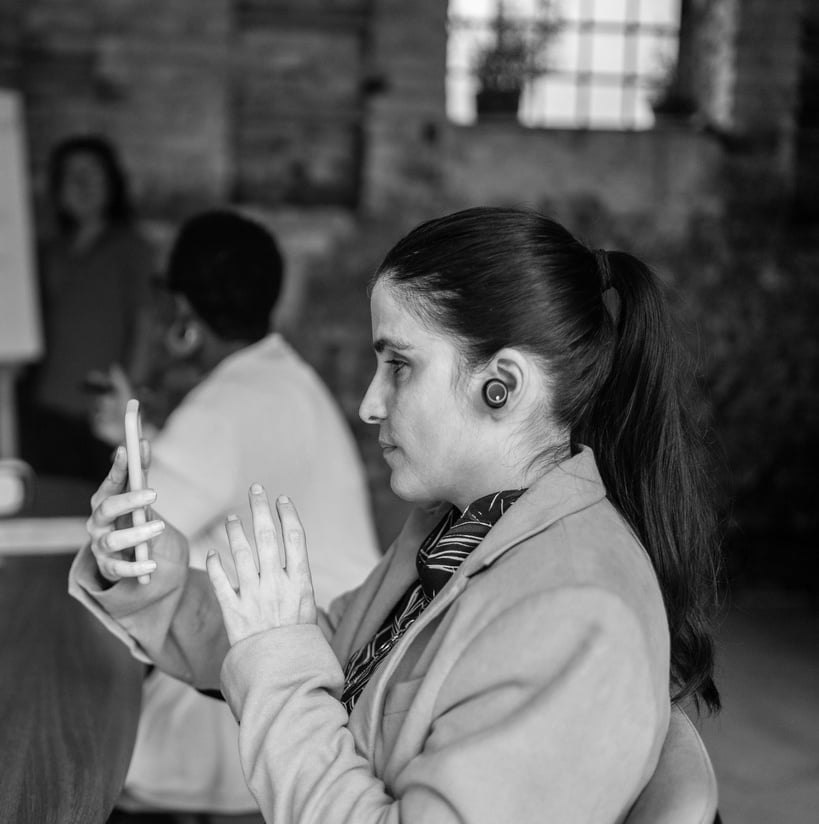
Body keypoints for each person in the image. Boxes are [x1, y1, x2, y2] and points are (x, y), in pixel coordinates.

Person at [71, 206, 721, 823]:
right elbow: (325, 645)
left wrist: (278, 663)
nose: (368, 404)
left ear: (503, 386)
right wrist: (153, 579)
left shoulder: (576, 613)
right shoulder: (462, 527)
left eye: (399, 366)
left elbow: (293, 660)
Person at [88, 210, 380, 815]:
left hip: (274, 689)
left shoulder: (225, 403)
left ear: (184, 318)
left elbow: (131, 535)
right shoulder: (282, 377)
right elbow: (210, 471)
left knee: (95, 753)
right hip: (338, 670)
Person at [18, 134, 155, 483]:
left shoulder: (131, 248)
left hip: (101, 412)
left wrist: (129, 396)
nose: (81, 185)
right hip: (46, 405)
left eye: (91, 174)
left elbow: (145, 323)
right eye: (71, 175)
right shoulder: (49, 251)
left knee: (98, 508)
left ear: (111, 183)